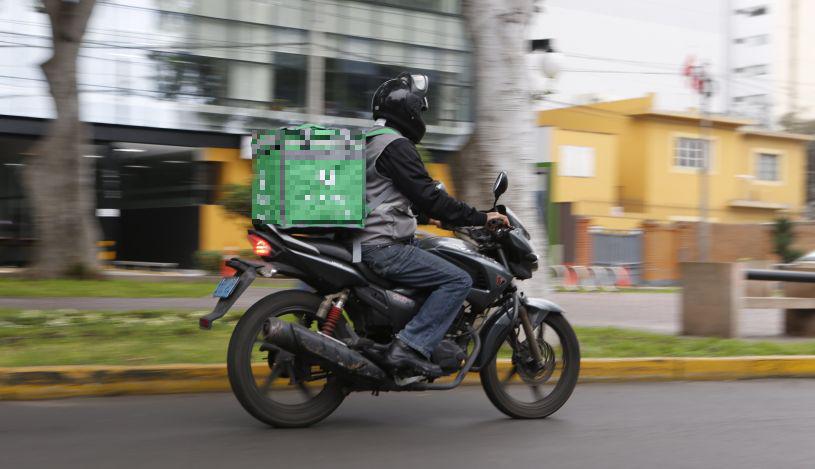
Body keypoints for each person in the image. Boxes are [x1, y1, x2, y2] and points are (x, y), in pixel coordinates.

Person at [353, 72, 509, 377]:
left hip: (364, 240)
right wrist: (481, 217)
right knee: (458, 280)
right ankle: (409, 346)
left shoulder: (369, 141)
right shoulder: (396, 145)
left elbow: (382, 195)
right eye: (419, 109)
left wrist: (427, 217)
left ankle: (402, 331)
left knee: (432, 250)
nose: (421, 116)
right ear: (407, 109)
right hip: (383, 245)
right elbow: (429, 195)